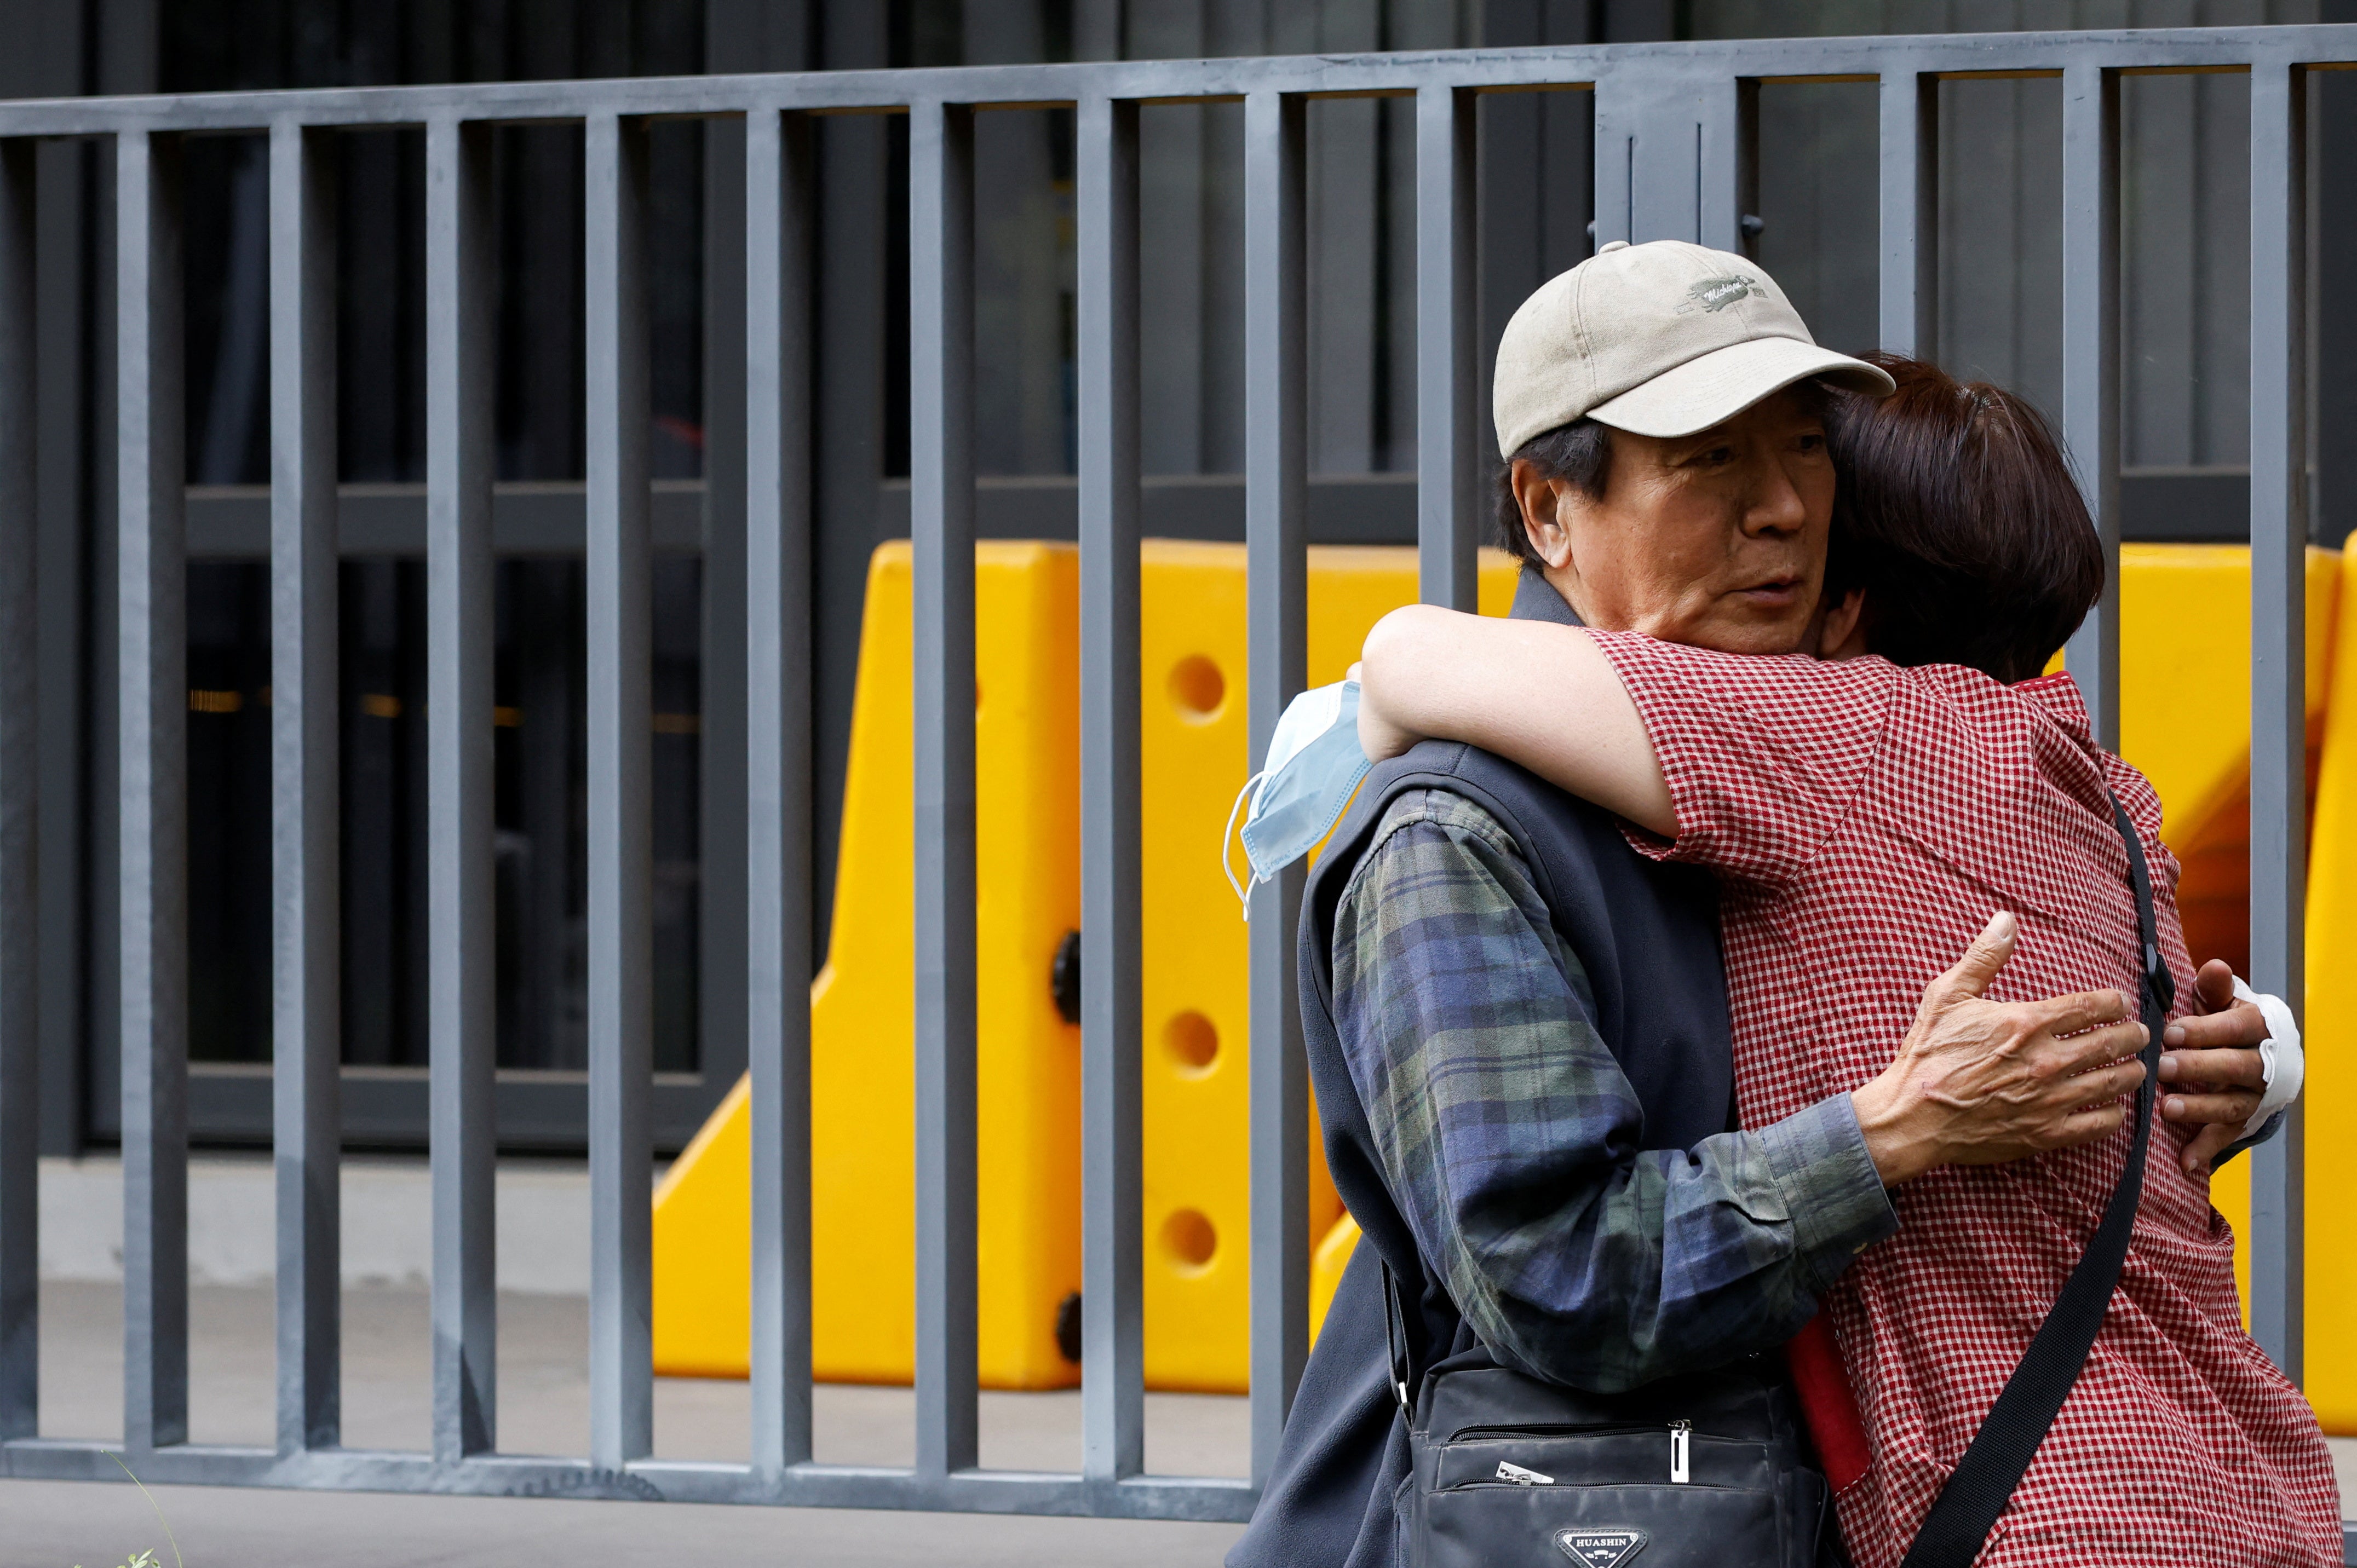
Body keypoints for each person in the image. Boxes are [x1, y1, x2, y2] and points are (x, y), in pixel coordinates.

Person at [1225, 241, 2294, 1568]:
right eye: (1709, 460)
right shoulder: (1458, 831)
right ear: (1549, 512)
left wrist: (2202, 1062)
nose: (1783, 508)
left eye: (1804, 448)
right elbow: (1553, 1272)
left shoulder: (1836, 763)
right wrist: (1886, 1135)